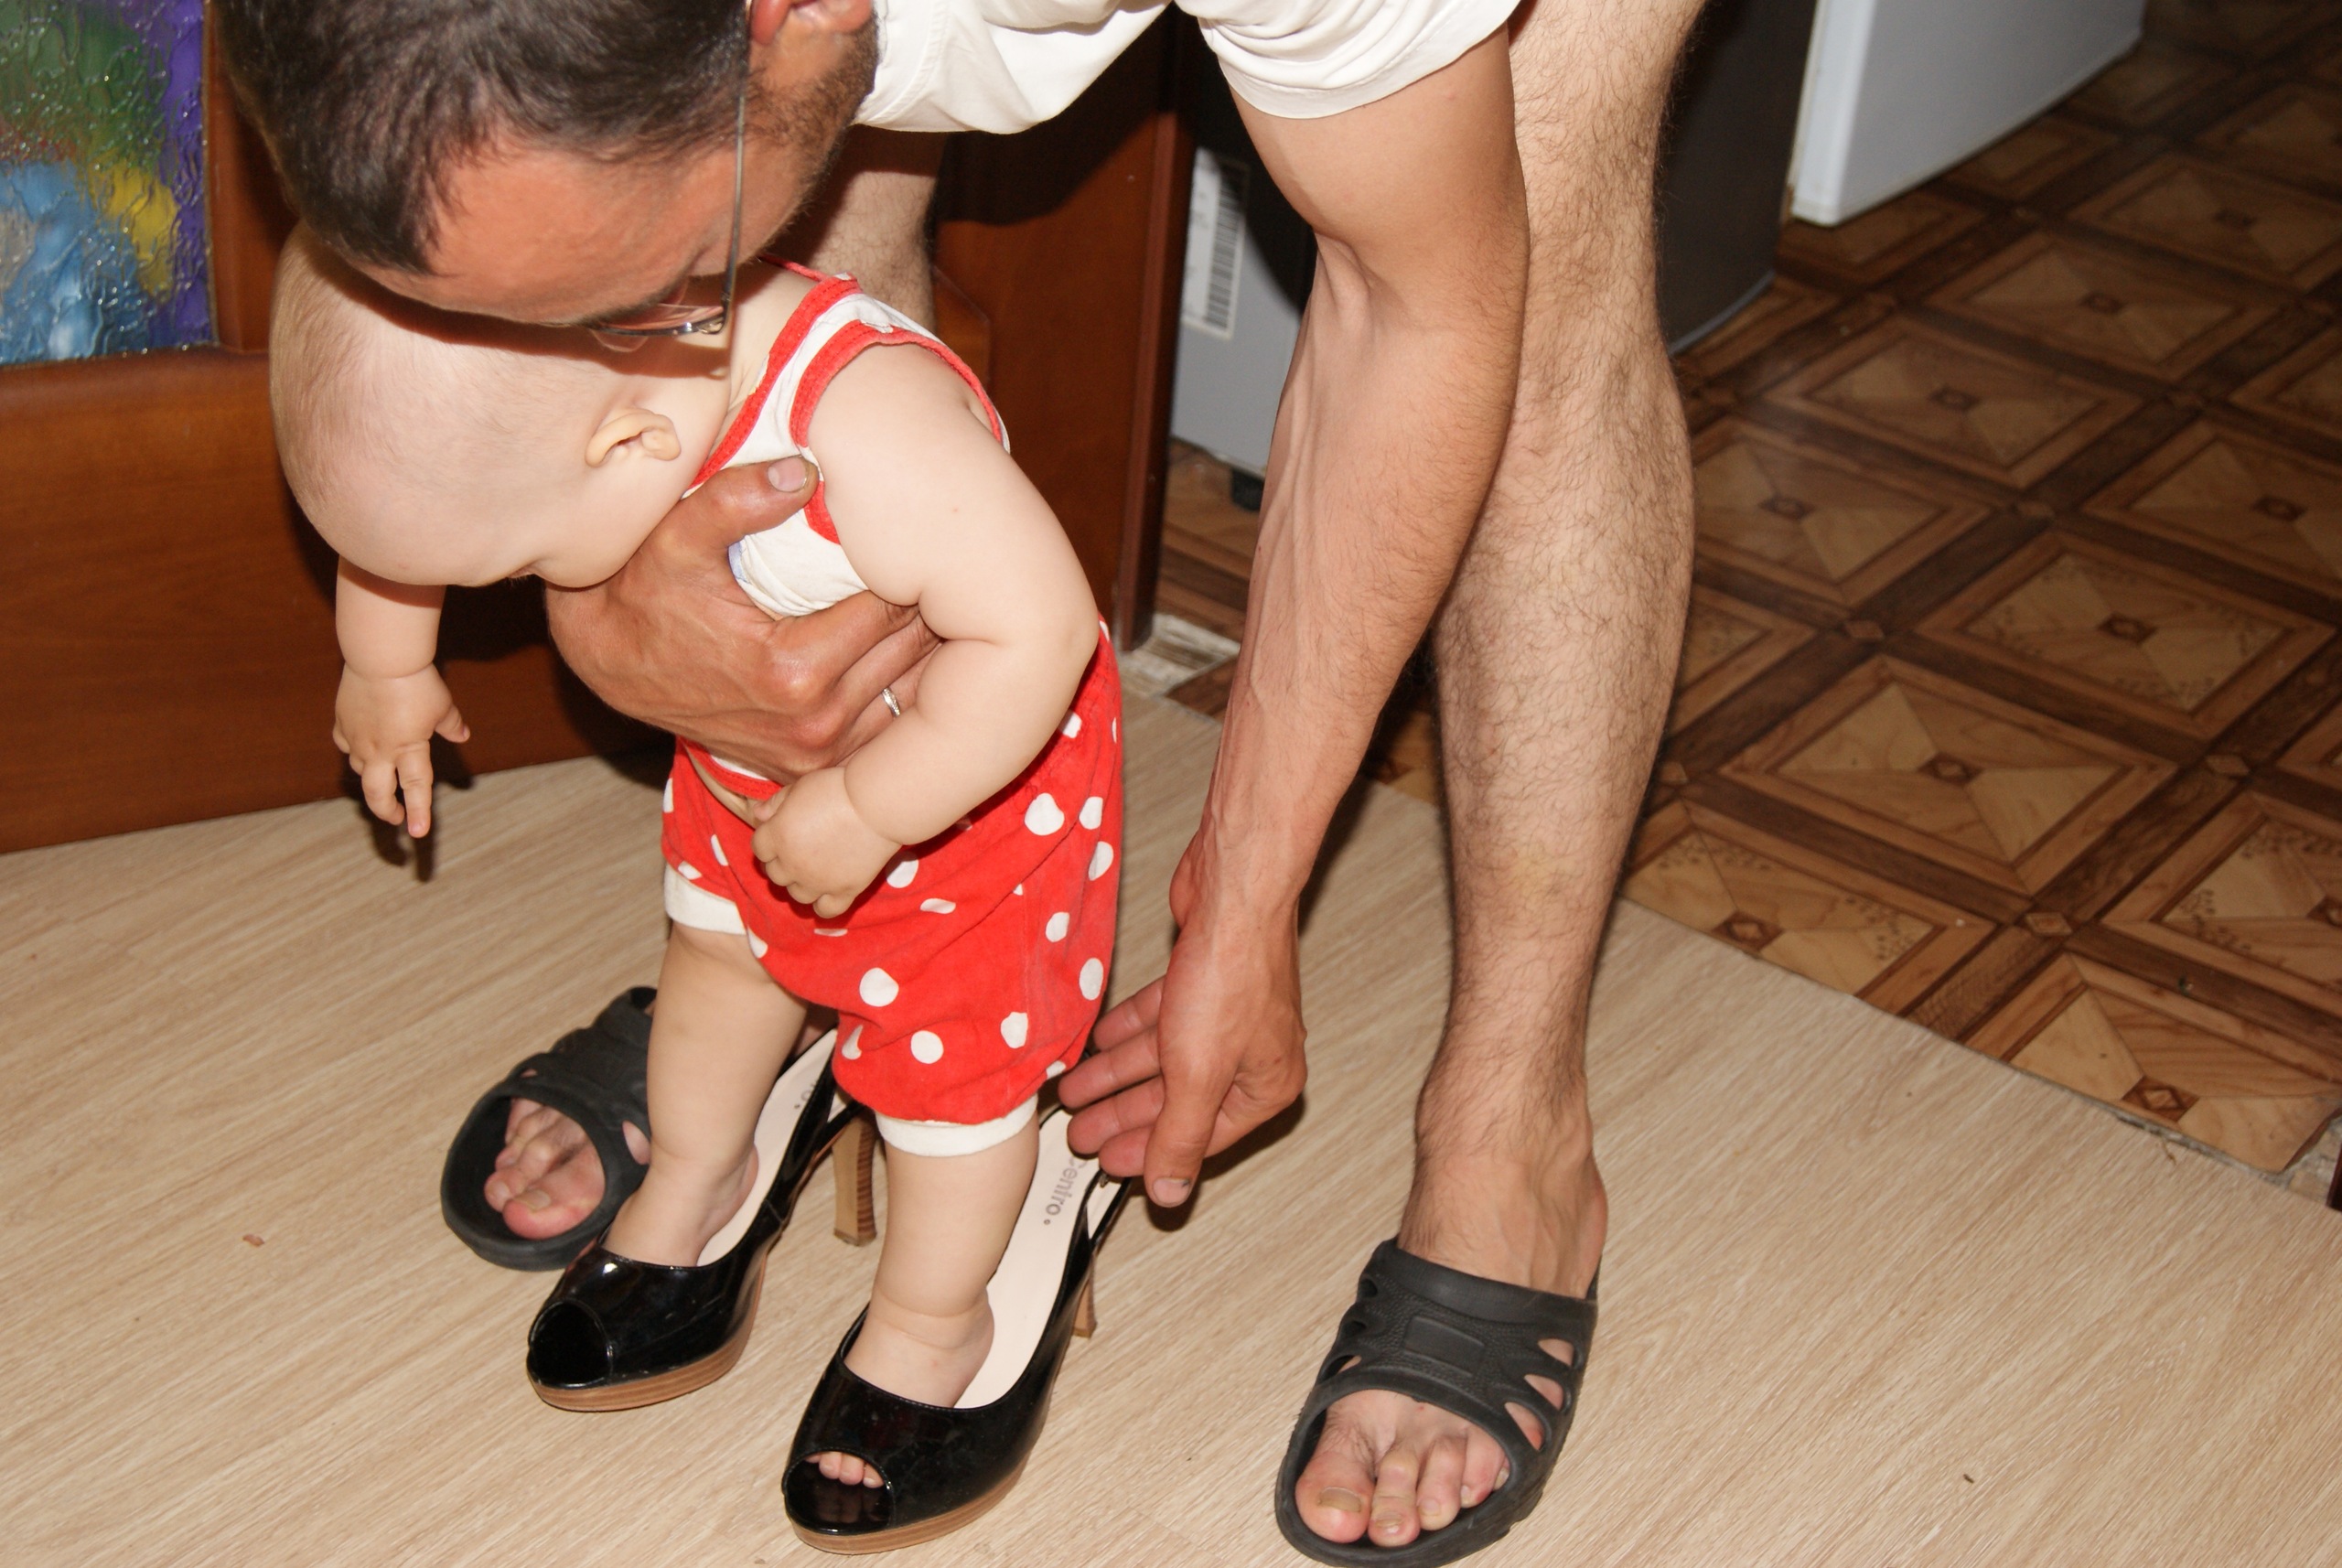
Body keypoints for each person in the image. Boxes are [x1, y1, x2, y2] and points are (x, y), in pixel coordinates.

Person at [219, 0, 1704, 1554]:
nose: (666, 340)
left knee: (1537, 264)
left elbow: (1417, 310)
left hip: (971, 843)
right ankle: (759, 1076)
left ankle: (1497, 1138)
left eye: (638, 298)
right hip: (762, 782)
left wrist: (1245, 902)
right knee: (761, 230)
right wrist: (556, 620)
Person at [270, 234, 1128, 1541]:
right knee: (716, 961)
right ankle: (698, 1172)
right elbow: (409, 511)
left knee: (949, 1084)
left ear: (631, 446)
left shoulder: (870, 432)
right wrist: (384, 661)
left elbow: (1041, 630)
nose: (511, 596)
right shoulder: (565, 386)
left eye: (514, 571)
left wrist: (874, 805)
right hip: (747, 781)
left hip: (966, 793)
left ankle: (933, 1319)